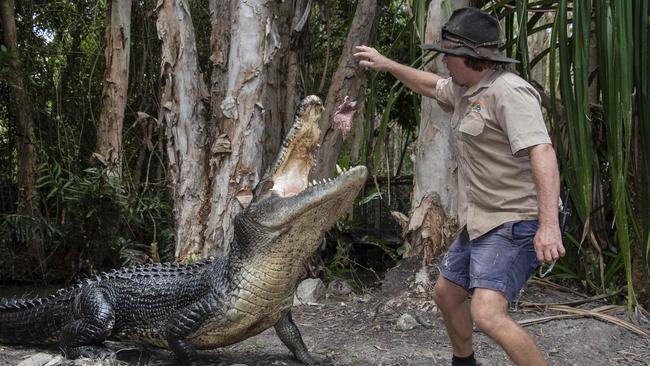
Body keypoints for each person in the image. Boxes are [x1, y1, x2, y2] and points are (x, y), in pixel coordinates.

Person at [354, 7, 566, 366]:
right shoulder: (467, 89)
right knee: (448, 294)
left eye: (448, 56)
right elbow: (428, 85)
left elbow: (543, 152)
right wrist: (386, 63)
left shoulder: (509, 93)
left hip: (515, 219)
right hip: (481, 220)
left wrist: (548, 226)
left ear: (469, 58)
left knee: (487, 313)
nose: (443, 64)